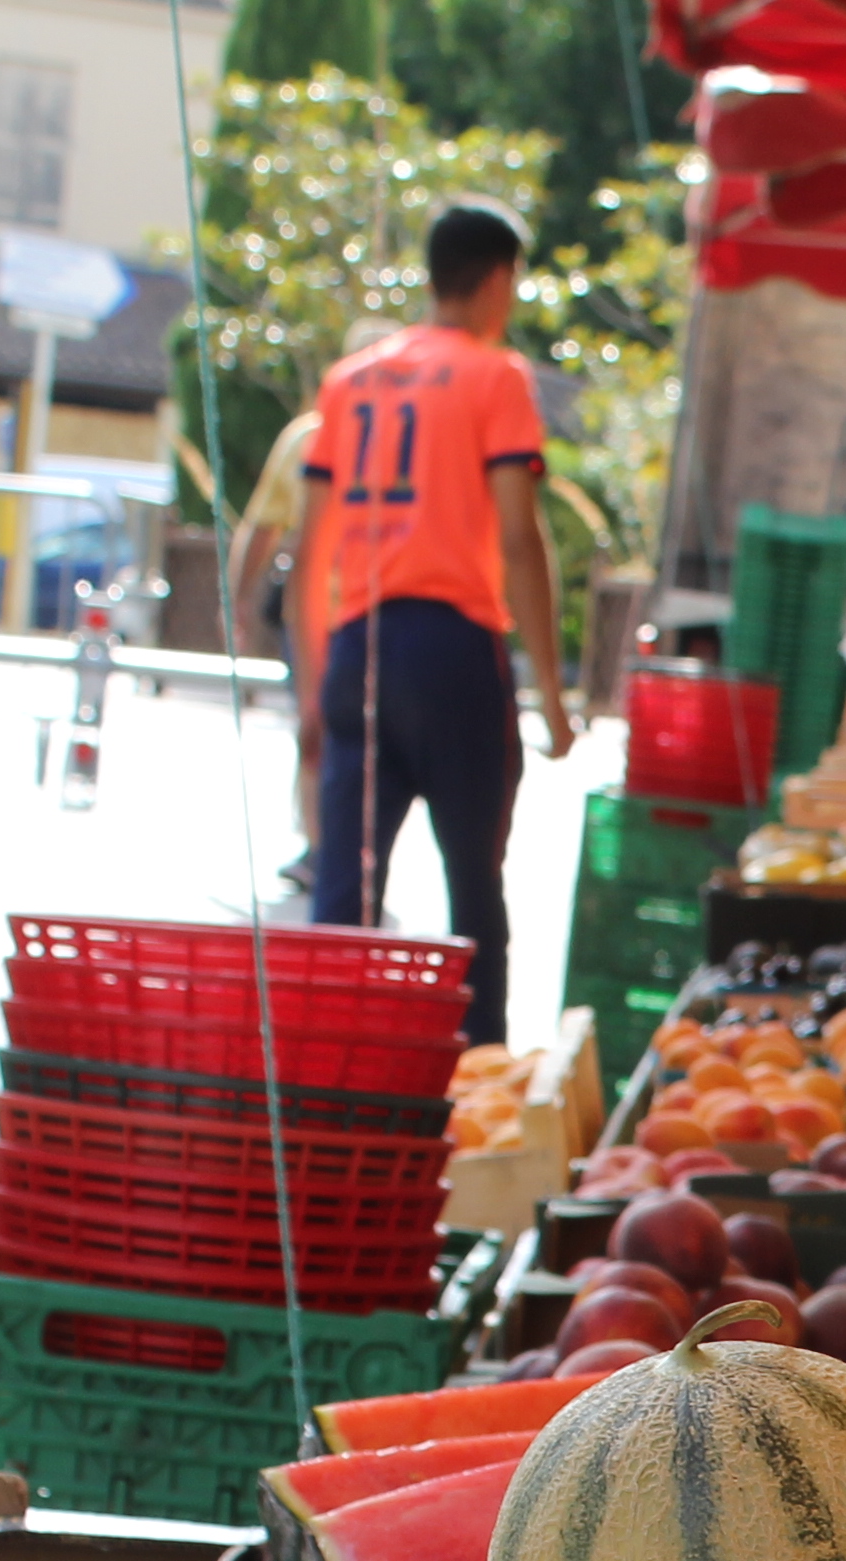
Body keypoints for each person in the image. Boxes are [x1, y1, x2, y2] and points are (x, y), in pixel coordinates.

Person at [298, 201, 575, 1042]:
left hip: (362, 645)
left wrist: (314, 692)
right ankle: (480, 1071)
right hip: (454, 651)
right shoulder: (497, 377)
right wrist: (554, 694)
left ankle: (325, 1072)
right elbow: (520, 539)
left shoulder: (351, 381)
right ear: (498, 279)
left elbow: (312, 552)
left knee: (344, 891)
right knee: (474, 889)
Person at [220, 408, 322, 897]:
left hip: (378, 611)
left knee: (326, 731)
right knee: (314, 725)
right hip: (314, 609)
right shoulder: (311, 436)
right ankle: (320, 847)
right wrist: (238, 598)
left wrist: (238, 598)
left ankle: (333, 847)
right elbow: (263, 524)